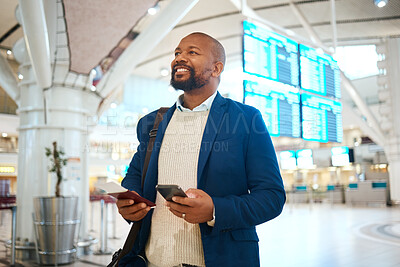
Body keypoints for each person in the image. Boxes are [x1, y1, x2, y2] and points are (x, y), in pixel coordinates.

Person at [116, 32, 286, 267]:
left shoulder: (246, 119)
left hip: (220, 259)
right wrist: (130, 203)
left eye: (192, 52)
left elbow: (271, 197)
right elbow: (135, 176)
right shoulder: (153, 122)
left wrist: (215, 210)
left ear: (216, 69)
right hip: (151, 260)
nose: (179, 58)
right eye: (177, 53)